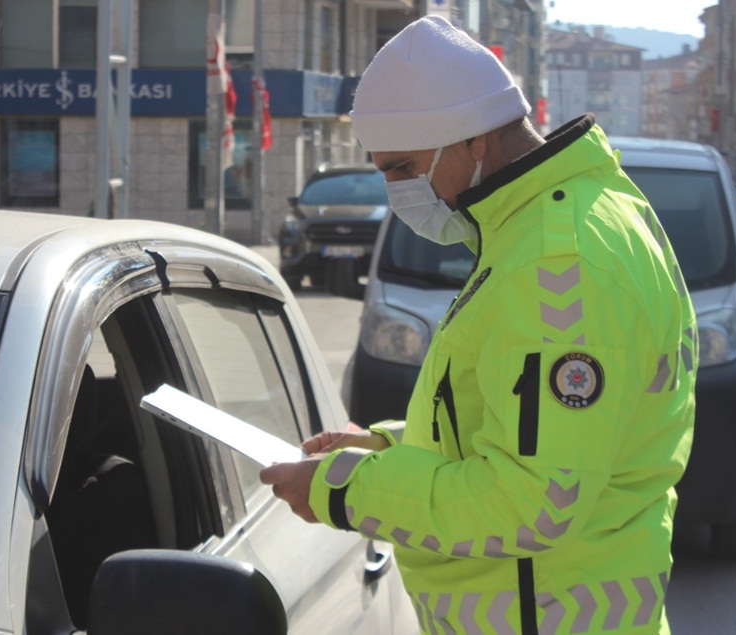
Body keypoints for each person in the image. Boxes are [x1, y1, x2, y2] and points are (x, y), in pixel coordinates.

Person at [260, 15, 696, 635]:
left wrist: (348, 489)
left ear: (473, 141)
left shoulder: (558, 264)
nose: (395, 190)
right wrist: (391, 447)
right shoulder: (568, 219)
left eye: (403, 167)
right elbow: (524, 427)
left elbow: (533, 502)